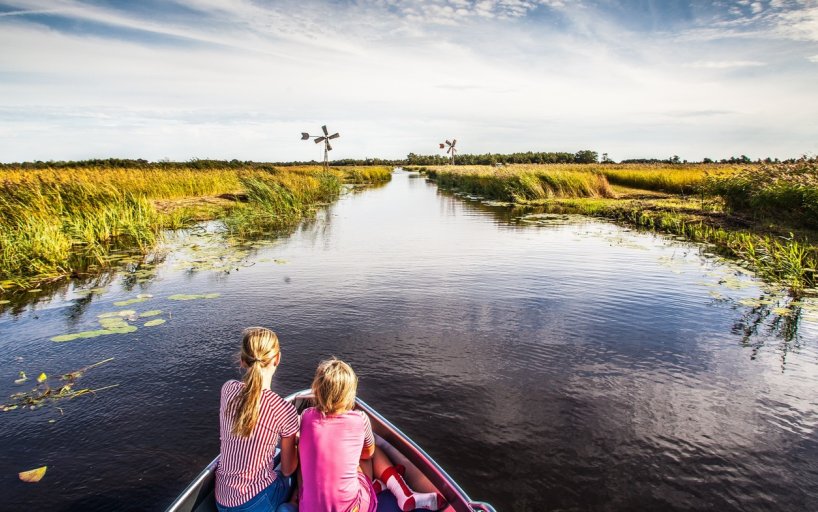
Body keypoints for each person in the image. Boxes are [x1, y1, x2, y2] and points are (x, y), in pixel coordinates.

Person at [299, 358, 446, 512]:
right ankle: (401, 492)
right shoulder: (360, 419)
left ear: (317, 389)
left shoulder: (306, 416)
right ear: (349, 393)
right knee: (373, 452)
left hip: (308, 509)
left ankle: (383, 485)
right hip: (354, 508)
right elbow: (369, 454)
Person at [215, 327, 299, 512]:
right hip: (255, 502)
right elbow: (287, 469)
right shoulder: (283, 409)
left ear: (243, 360)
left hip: (221, 500)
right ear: (277, 359)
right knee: (295, 475)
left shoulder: (227, 389)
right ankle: (292, 505)